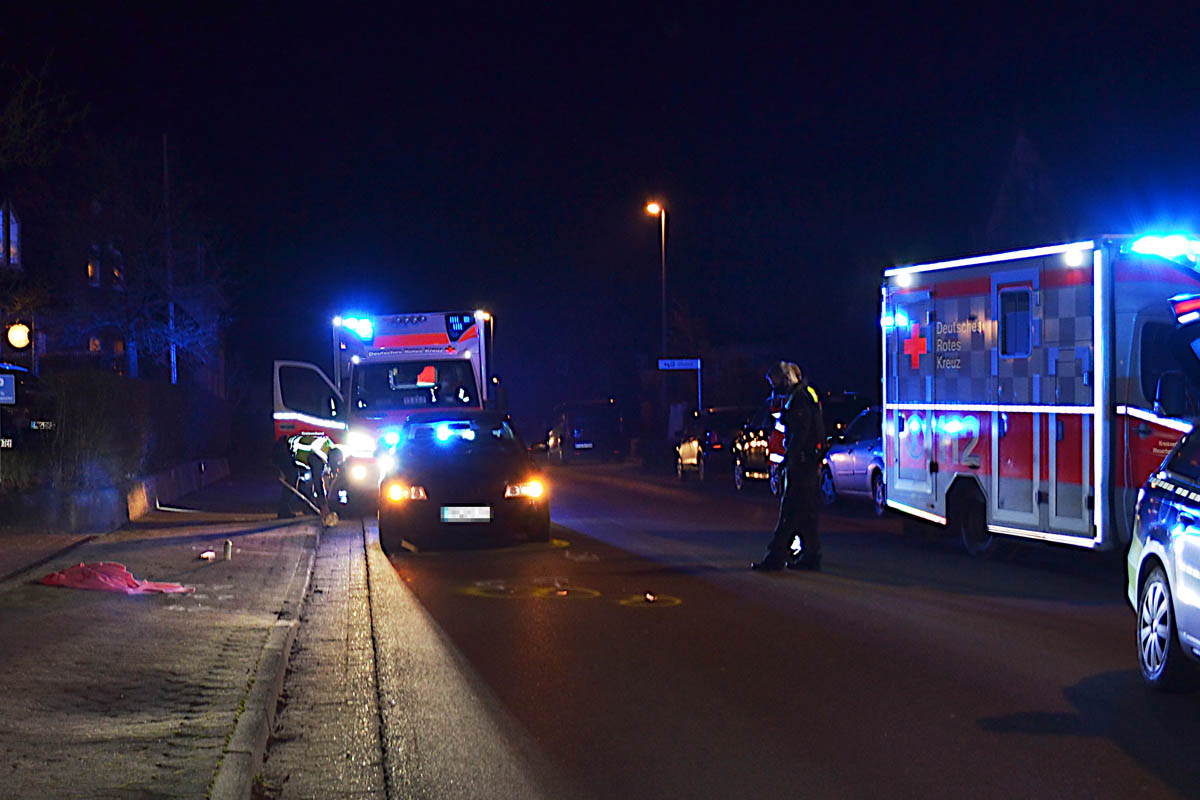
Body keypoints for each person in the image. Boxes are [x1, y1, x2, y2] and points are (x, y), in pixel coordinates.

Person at [752, 361, 825, 571]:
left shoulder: (799, 400)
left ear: (786, 379)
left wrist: (790, 458)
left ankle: (775, 558)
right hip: (807, 462)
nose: (774, 387)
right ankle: (811, 556)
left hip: (801, 464)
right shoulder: (804, 395)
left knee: (789, 512)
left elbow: (800, 433)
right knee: (806, 513)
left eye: (775, 382)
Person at [274, 432, 342, 527]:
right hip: (283, 450)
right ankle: (283, 510)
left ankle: (308, 509)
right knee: (292, 478)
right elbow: (317, 482)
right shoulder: (318, 458)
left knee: (305, 483)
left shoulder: (327, 447)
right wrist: (324, 506)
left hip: (289, 450)